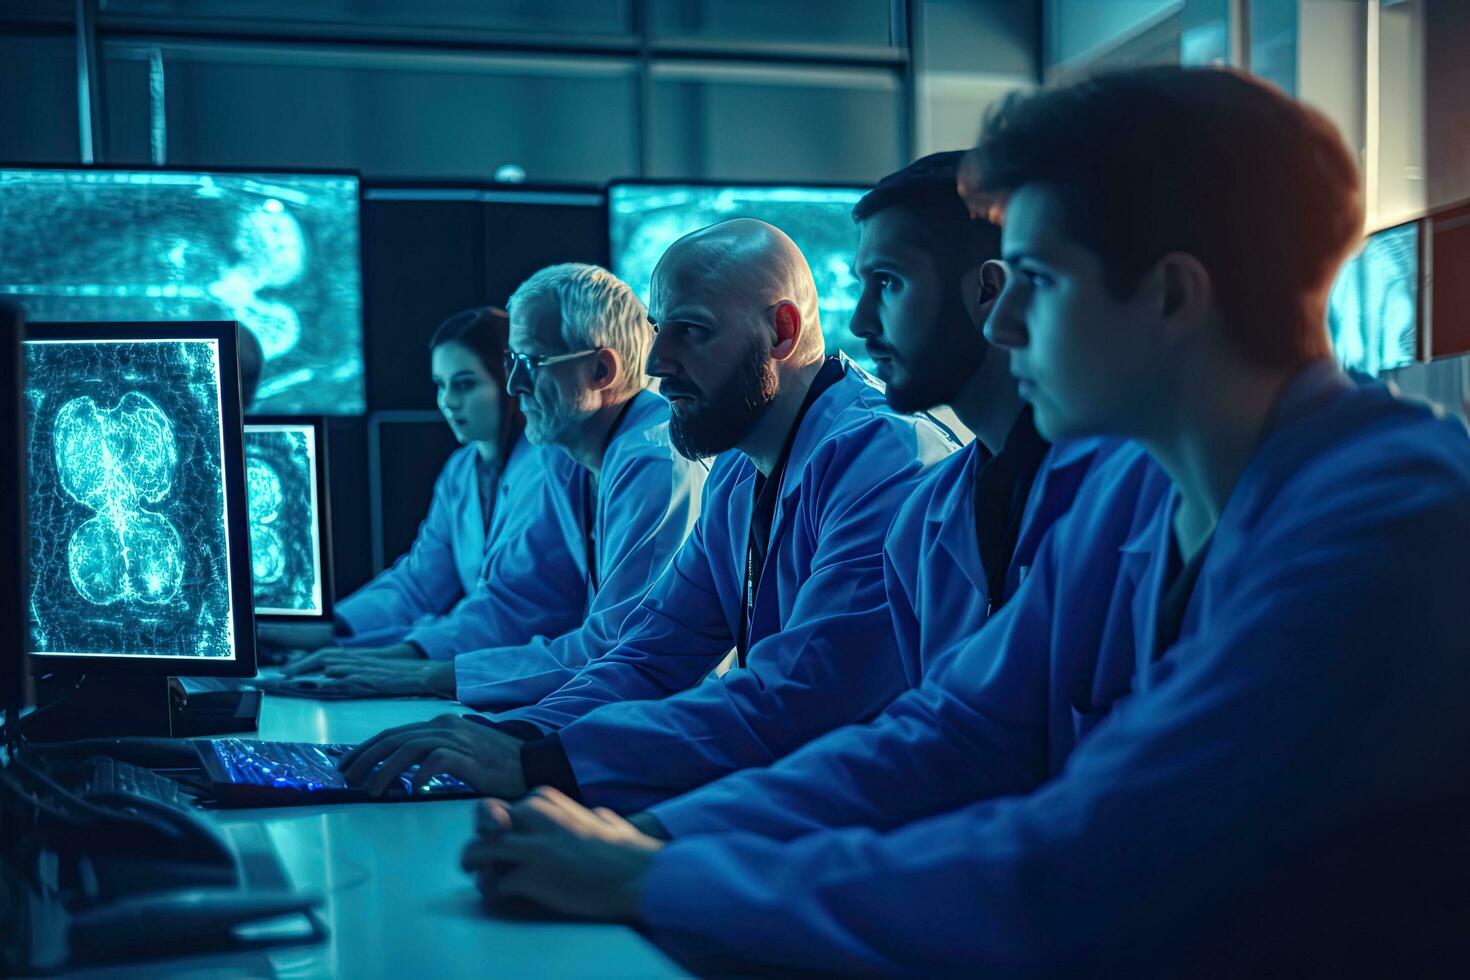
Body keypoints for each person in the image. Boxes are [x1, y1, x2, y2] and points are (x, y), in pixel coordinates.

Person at [458, 66, 1470, 975]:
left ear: (1170, 295)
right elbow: (951, 734)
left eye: (1036, 280)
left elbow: (1080, 861)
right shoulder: (1134, 495)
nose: (1005, 322)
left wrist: (654, 878)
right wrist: (656, 838)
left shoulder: (1387, 516)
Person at [340, 218, 960, 808]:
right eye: (659, 327)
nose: (657, 362)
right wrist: (518, 737)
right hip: (794, 797)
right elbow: (650, 652)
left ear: (781, 333)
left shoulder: (885, 455)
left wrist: (541, 763)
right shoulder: (743, 469)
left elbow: (800, 699)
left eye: (689, 330)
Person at [283, 264, 706, 698]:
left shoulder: (648, 463)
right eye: (511, 363)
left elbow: (605, 647)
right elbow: (419, 582)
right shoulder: (578, 453)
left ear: (601, 372)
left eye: (531, 363)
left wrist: (420, 674)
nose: (514, 385)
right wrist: (329, 633)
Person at [259, 307, 587, 664]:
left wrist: (394, 657)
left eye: (465, 384)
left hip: (538, 672)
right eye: (441, 385)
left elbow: (509, 609)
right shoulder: (461, 472)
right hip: (475, 663)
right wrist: (329, 627)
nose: (448, 401)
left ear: (509, 382)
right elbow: (419, 583)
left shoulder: (553, 467)